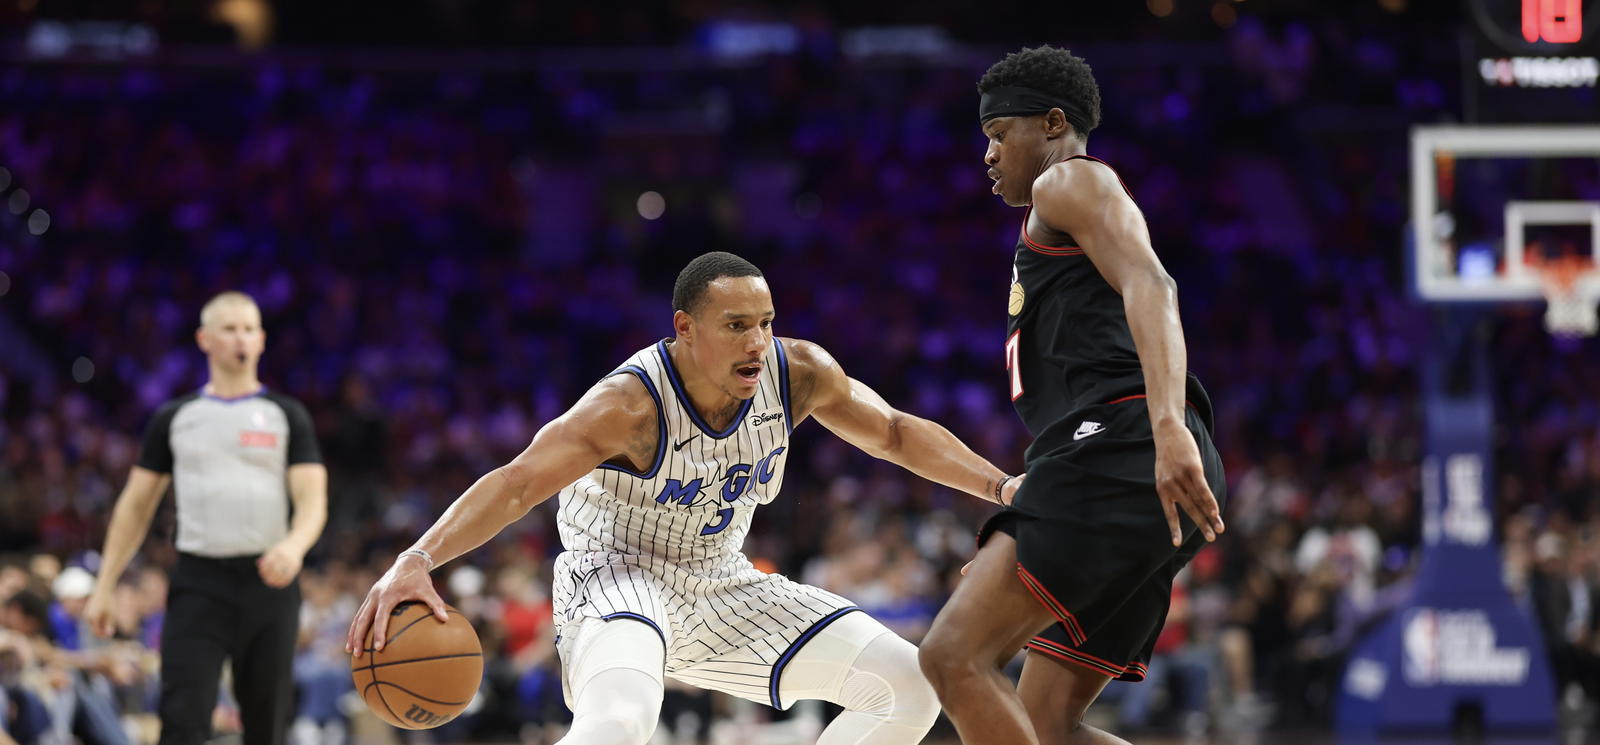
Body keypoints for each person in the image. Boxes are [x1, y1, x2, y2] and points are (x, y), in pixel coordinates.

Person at [347, 251, 1021, 745]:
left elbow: (898, 433)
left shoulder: (799, 372)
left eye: (764, 322)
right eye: (735, 325)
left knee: (909, 684)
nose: (757, 341)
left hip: (722, 579)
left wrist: (1001, 485)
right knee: (620, 720)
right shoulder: (627, 406)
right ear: (686, 328)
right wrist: (418, 556)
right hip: (616, 576)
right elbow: (518, 482)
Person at [916, 46, 1228, 745]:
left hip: (1121, 445)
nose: (989, 155)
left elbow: (1154, 284)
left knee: (952, 655)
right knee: (1045, 725)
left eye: (999, 134)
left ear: (1053, 124)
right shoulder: (1056, 217)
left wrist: (1168, 425)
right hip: (1105, 461)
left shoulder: (1070, 183)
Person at [83, 291, 329, 745]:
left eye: (250, 329)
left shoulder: (287, 415)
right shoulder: (175, 417)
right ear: (204, 340)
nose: (241, 337)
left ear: (261, 341)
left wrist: (293, 547)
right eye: (230, 328)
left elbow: (313, 498)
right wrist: (105, 586)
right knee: (181, 719)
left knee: (268, 723)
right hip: (199, 582)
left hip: (269, 582)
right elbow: (135, 506)